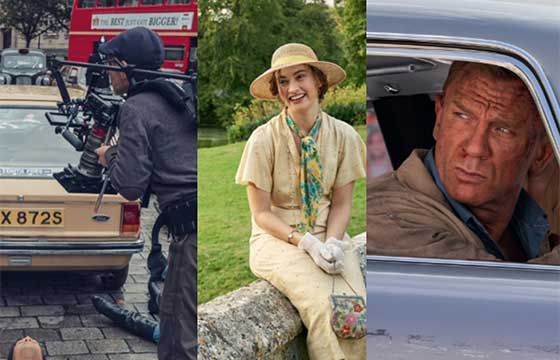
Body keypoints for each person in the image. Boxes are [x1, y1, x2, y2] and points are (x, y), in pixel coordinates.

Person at [236, 43, 366, 359]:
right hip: (276, 240)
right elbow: (261, 214)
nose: (292, 88)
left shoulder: (344, 135)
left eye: (300, 76)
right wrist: (306, 243)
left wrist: (333, 243)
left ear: (318, 80)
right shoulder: (263, 139)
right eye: (283, 81)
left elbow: (341, 204)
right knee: (325, 308)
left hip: (328, 233)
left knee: (357, 310)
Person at [367, 61, 560, 264]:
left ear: (541, 154)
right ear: (439, 118)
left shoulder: (524, 224)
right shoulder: (384, 217)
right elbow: (504, 292)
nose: (475, 149)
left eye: (502, 129)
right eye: (462, 116)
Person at [93, 26, 197, 359]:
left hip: (189, 231)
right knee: (171, 323)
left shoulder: (135, 107)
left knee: (180, 339)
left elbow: (130, 186)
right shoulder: (176, 90)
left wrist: (108, 154)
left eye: (110, 64)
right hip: (193, 221)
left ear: (125, 67)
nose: (108, 73)